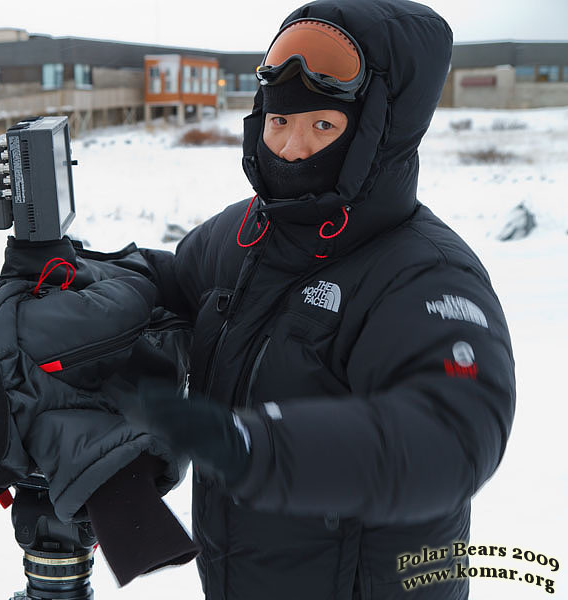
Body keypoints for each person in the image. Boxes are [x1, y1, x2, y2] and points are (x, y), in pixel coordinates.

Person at [125, 1, 516, 599]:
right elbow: (172, 283)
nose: (292, 148)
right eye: (279, 123)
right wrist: (79, 278)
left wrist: (260, 447)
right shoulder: (246, 234)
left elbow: (452, 436)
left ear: (377, 134)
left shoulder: (424, 273)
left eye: (322, 126)